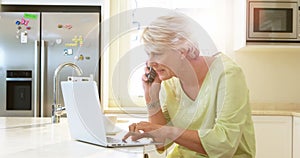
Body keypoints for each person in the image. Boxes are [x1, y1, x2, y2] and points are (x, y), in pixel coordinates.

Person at [122, 12, 256, 158]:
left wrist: (162, 130)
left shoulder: (228, 74)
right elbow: (161, 143)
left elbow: (224, 146)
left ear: (182, 51)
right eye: (149, 54)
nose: (150, 63)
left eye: (157, 53)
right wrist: (151, 97)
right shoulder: (171, 80)